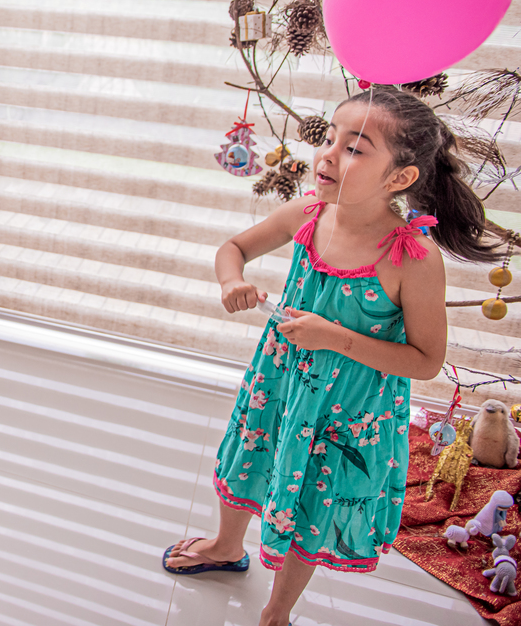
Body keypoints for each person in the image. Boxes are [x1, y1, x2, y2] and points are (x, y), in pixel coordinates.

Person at [163, 88, 499, 626]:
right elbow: (235, 248)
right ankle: (228, 546)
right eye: (328, 138)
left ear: (400, 178)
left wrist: (335, 338)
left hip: (346, 411)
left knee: (310, 497)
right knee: (252, 453)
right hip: (280, 381)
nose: (327, 154)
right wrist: (232, 280)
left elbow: (425, 359)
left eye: (355, 148)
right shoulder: (309, 212)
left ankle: (277, 611)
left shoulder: (410, 256)